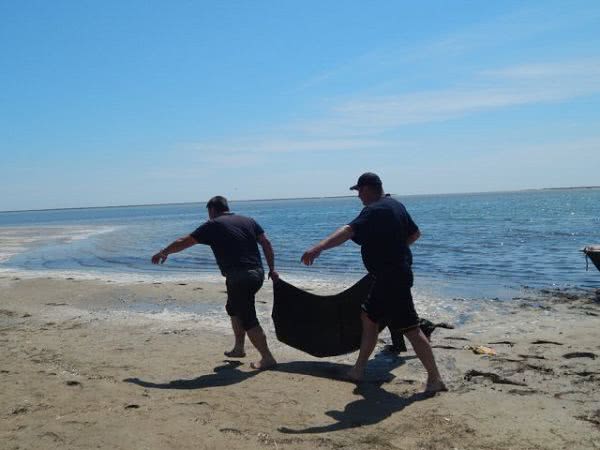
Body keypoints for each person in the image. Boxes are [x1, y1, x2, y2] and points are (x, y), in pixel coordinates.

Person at [301, 173, 446, 392]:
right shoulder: (395, 205)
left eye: (359, 191)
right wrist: (396, 250)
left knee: (411, 329)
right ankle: (358, 370)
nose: (358, 196)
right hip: (389, 276)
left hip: (392, 279)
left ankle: (435, 379)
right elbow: (415, 234)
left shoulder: (374, 210)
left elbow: (348, 231)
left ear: (367, 189)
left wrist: (318, 248)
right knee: (368, 317)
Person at [151, 195, 278, 370]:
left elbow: (184, 242)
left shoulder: (214, 225)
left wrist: (163, 252)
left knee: (248, 317)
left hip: (239, 277)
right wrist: (272, 268)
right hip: (256, 273)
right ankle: (239, 348)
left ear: (212, 210)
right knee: (233, 308)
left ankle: (267, 358)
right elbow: (266, 243)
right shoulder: (248, 220)